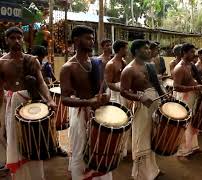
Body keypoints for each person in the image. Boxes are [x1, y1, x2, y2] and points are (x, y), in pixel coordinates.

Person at [0, 26, 56, 180]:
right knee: (14, 139)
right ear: (6, 40)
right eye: (13, 38)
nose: (17, 41)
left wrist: (50, 100)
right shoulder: (1, 62)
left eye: (19, 37)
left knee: (33, 140)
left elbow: (41, 83)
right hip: (12, 105)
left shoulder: (31, 60)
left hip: (32, 105)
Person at [60, 25, 112, 180]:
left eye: (92, 38)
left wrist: (105, 97)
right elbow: (64, 98)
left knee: (102, 151)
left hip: (99, 114)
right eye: (88, 38)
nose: (92, 41)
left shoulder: (98, 63)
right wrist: (88, 102)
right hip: (81, 115)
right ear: (76, 40)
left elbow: (103, 87)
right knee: (80, 152)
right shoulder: (68, 67)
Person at [120, 39, 163, 180]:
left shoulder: (150, 65)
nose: (149, 50)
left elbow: (156, 85)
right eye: (145, 48)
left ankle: (152, 170)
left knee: (153, 136)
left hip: (155, 103)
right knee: (142, 138)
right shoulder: (129, 70)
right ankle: (141, 174)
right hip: (142, 106)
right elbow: (123, 91)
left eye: (149, 48)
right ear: (136, 51)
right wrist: (140, 98)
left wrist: (164, 99)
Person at [173, 43, 202, 160]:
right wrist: (193, 88)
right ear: (184, 53)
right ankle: (182, 151)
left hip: (192, 96)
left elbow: (194, 80)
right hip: (184, 97)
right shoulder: (179, 68)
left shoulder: (191, 65)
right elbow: (176, 87)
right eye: (192, 52)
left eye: (194, 51)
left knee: (192, 123)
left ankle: (193, 147)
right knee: (184, 124)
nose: (194, 54)